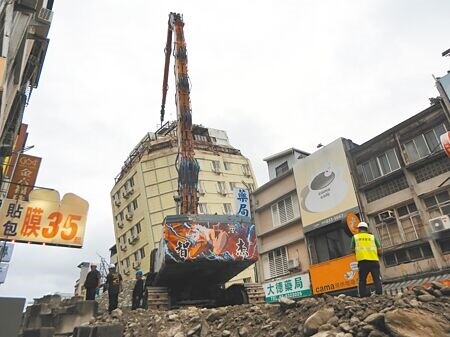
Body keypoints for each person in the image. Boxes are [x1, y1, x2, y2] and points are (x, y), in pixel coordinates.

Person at [351, 222, 383, 297]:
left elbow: (352, 249)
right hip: (374, 261)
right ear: (366, 229)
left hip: (363, 262)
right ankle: (379, 294)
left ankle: (362, 295)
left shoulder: (355, 237)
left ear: (359, 229)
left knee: (362, 280)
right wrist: (379, 256)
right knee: (376, 279)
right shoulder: (372, 237)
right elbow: (379, 249)